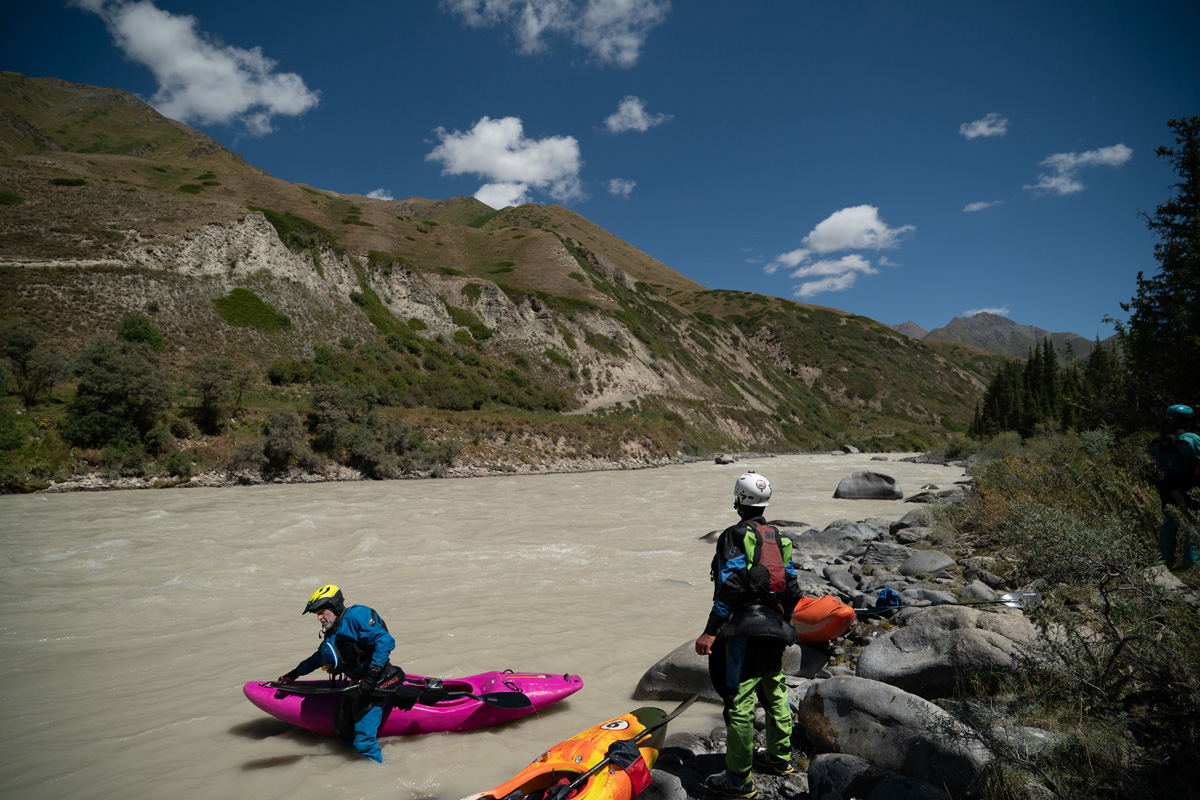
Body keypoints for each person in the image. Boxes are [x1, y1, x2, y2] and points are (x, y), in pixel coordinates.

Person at [695, 472, 802, 798]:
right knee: (774, 690)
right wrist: (783, 625)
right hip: (774, 628)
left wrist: (710, 631)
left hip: (743, 630)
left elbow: (730, 586)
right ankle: (779, 758)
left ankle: (738, 779)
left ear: (739, 500)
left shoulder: (734, 535)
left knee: (738, 703)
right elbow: (793, 589)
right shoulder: (780, 539)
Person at [276, 585, 401, 762]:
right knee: (343, 730)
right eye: (317, 614)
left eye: (321, 612)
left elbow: (385, 641)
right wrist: (293, 674)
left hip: (377, 682)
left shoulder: (356, 616)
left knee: (364, 742)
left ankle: (380, 768)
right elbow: (318, 658)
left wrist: (371, 676)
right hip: (357, 684)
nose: (319, 617)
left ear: (334, 608)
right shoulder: (332, 632)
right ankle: (348, 763)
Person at [1149, 404, 1200, 569]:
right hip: (1191, 488)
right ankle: (1191, 564)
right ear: (1188, 420)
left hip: (1168, 488)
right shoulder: (1192, 440)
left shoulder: (1158, 441)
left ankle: (1163, 562)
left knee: (1169, 524)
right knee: (1194, 523)